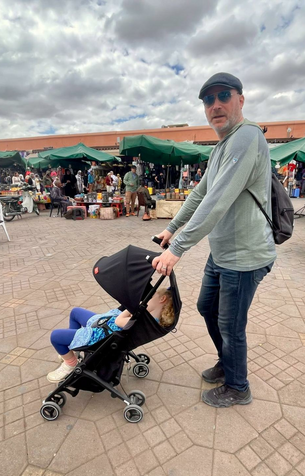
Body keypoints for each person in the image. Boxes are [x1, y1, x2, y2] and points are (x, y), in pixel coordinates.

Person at [152, 72, 275, 408]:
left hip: (245, 256)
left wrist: (177, 248)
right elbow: (200, 193)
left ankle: (238, 387)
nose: (216, 105)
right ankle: (228, 362)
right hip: (222, 253)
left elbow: (216, 201)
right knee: (207, 307)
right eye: (209, 100)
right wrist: (171, 227)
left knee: (231, 325)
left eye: (224, 96)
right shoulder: (222, 146)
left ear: (240, 100)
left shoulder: (247, 137)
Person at [47, 289, 175, 383]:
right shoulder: (151, 319)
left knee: (55, 336)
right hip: (104, 325)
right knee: (75, 312)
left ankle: (70, 363)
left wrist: (133, 308)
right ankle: (73, 350)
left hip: (99, 336)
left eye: (151, 296)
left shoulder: (144, 322)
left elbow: (119, 321)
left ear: (161, 299)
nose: (148, 299)